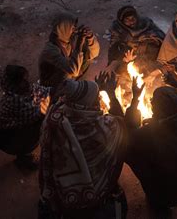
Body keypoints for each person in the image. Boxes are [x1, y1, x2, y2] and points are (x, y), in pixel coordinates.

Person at [108, 75, 177, 208]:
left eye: (153, 101)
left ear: (160, 109)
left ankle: (159, 202)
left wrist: (127, 98)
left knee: (126, 149)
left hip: (166, 197)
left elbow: (126, 131)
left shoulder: (147, 134)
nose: (150, 100)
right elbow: (174, 125)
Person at [38, 79, 128, 219]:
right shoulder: (101, 129)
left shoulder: (55, 116)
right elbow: (122, 125)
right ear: (87, 104)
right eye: (97, 97)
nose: (99, 99)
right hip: (92, 195)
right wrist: (111, 94)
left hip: (62, 191)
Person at [0, 65, 47, 170]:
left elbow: (41, 90)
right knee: (42, 124)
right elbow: (35, 116)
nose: (27, 82)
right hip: (6, 138)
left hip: (11, 131)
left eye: (26, 78)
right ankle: (22, 157)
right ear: (15, 84)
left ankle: (23, 151)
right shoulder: (15, 101)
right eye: (23, 81)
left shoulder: (22, 90)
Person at [38, 14, 100, 101]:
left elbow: (94, 53)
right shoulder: (50, 50)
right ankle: (65, 96)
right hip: (52, 86)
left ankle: (75, 86)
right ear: (64, 29)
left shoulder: (68, 40)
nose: (75, 30)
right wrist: (78, 45)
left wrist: (90, 37)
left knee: (86, 57)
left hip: (69, 76)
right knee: (68, 72)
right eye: (72, 28)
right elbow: (73, 71)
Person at [107, 6, 165, 75]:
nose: (131, 22)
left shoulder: (145, 23)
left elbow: (160, 36)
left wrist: (145, 41)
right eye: (127, 20)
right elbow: (113, 48)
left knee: (150, 64)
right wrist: (123, 57)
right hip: (131, 54)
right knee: (122, 70)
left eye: (133, 18)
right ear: (122, 21)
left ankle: (149, 67)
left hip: (147, 52)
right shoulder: (118, 29)